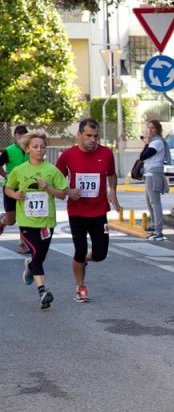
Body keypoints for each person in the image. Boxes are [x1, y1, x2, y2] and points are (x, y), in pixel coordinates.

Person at [55, 118, 121, 303]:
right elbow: (56, 179)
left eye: (96, 136)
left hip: (99, 210)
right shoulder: (68, 155)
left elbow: (111, 174)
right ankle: (80, 286)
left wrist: (112, 190)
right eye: (89, 136)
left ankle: (81, 261)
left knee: (100, 254)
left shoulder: (106, 153)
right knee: (80, 249)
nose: (93, 140)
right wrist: (68, 190)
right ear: (79, 135)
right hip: (77, 211)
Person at [4, 130, 68, 309]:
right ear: (27, 149)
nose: (39, 150)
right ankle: (42, 292)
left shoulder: (51, 170)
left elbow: (63, 194)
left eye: (42, 146)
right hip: (27, 221)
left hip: (47, 221)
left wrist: (48, 188)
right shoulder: (19, 170)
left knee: (40, 256)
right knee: (37, 255)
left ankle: (31, 265)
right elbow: (8, 188)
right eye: (35, 147)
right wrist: (15, 194)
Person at [0, 125, 31, 254]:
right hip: (11, 189)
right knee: (12, 220)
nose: (22, 136)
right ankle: (3, 221)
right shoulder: (9, 150)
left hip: (26, 189)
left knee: (25, 216)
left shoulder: (31, 149)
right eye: (19, 134)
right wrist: (6, 175)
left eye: (24, 134)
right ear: (15, 135)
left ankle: (22, 243)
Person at [139, 119, 170, 241]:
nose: (150, 130)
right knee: (149, 202)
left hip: (154, 173)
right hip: (149, 173)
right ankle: (154, 226)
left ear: (158, 130)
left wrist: (147, 143)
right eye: (148, 128)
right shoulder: (154, 142)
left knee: (155, 203)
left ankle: (159, 231)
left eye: (152, 128)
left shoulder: (156, 142)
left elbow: (143, 156)